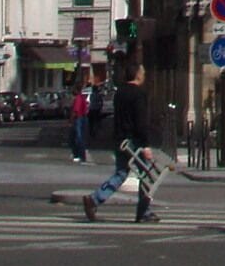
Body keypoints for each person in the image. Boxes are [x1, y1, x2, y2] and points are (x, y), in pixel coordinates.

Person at [84, 60, 161, 224]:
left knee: (121, 173)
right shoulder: (139, 94)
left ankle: (95, 199)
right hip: (135, 141)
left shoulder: (120, 93)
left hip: (120, 139)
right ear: (138, 75)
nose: (145, 75)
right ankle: (144, 211)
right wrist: (146, 145)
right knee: (147, 176)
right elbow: (141, 122)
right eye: (143, 72)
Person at [69, 81, 91, 163]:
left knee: (77, 138)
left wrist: (71, 120)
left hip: (79, 118)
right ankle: (80, 155)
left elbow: (76, 111)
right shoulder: (82, 97)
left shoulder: (78, 98)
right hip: (83, 118)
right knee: (80, 137)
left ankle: (78, 155)